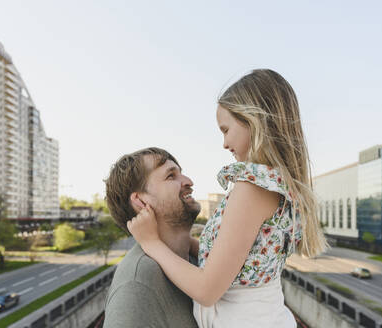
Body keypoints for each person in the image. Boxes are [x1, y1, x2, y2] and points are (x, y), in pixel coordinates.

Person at [128, 69, 329, 328]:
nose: (224, 143)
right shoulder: (274, 185)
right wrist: (181, 241)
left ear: (253, 121)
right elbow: (235, 261)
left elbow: (207, 290)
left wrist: (151, 243)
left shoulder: (253, 189)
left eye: (226, 129)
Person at [103, 147, 200, 328]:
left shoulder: (197, 257)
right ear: (141, 202)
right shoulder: (136, 285)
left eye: (181, 174)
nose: (189, 181)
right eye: (171, 176)